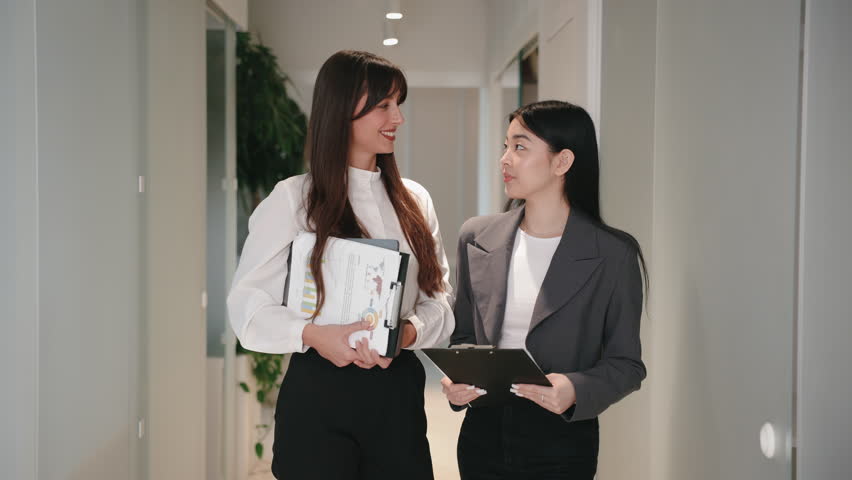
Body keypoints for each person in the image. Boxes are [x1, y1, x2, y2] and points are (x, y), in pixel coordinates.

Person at [227, 50, 454, 480]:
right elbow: (247, 308)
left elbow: (440, 301)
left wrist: (406, 333)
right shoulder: (294, 199)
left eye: (398, 104)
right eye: (384, 105)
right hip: (318, 394)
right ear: (342, 110)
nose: (398, 118)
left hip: (396, 394)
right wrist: (314, 334)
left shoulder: (414, 201)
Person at [442, 100, 647, 479]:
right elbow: (464, 336)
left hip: (562, 443)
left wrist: (574, 387)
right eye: (505, 146)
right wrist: (458, 380)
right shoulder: (476, 236)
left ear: (562, 162)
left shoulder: (614, 254)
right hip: (482, 437)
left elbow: (627, 364)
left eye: (520, 147)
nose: (505, 159)